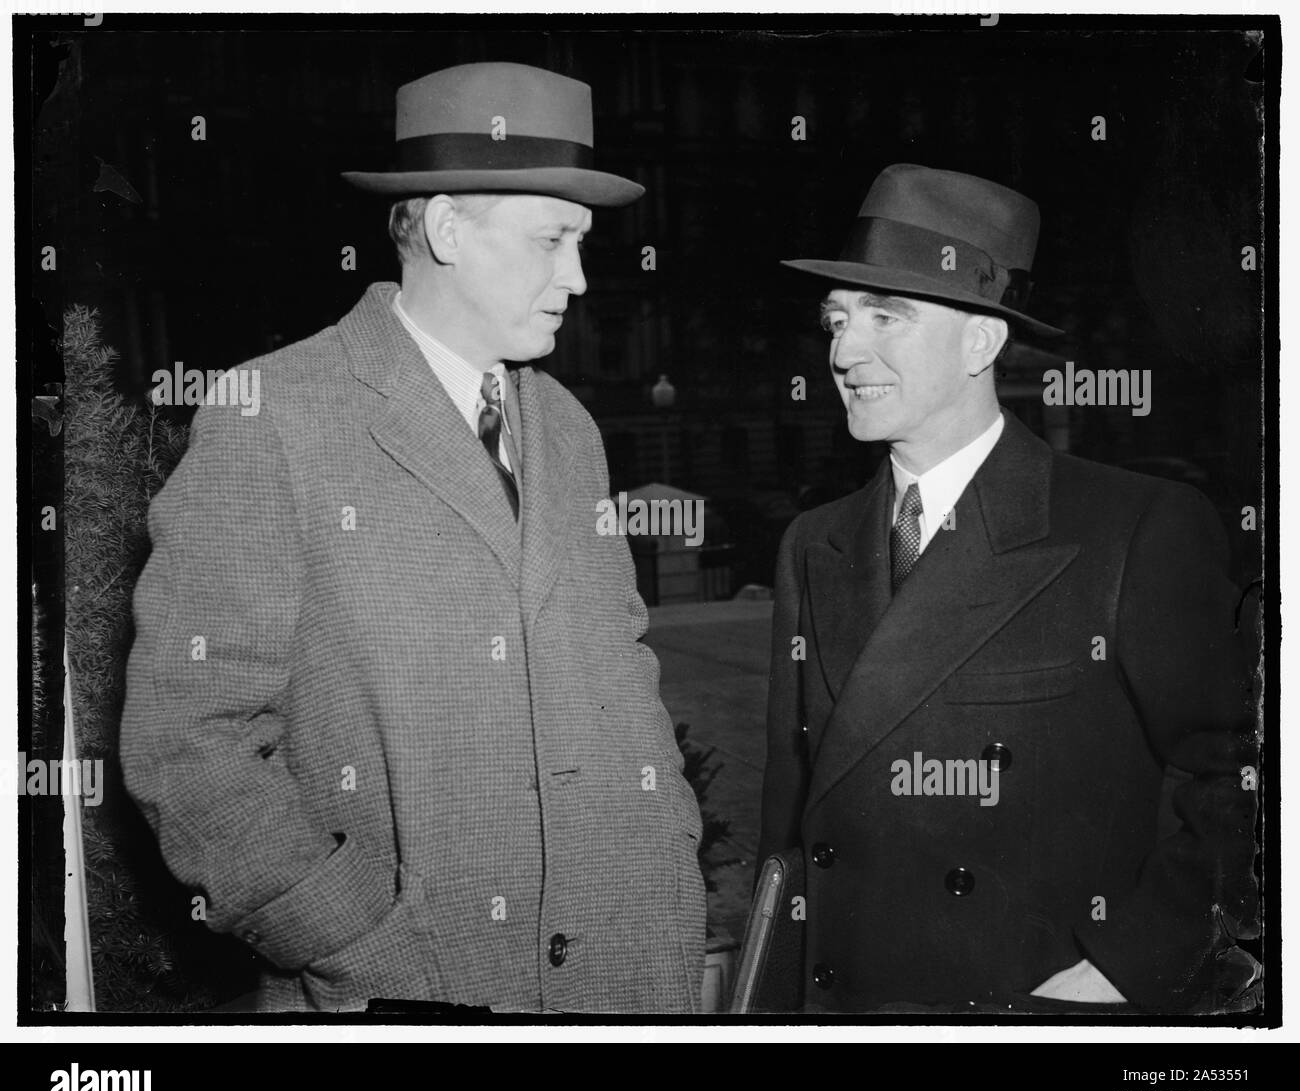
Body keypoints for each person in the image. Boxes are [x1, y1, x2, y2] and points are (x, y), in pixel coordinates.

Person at [120, 62, 706, 1013]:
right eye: (554, 241)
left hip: (630, 980)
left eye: (584, 244)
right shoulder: (269, 416)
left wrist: (670, 865)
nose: (581, 278)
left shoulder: (567, 426)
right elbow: (189, 742)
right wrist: (341, 931)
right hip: (405, 991)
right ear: (443, 229)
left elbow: (622, 670)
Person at [757, 164, 1256, 1013]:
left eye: (887, 315)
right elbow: (788, 822)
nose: (844, 352)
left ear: (982, 341)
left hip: (1030, 1003)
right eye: (835, 319)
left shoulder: (1132, 528)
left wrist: (1128, 961)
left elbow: (1248, 773)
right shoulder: (814, 544)